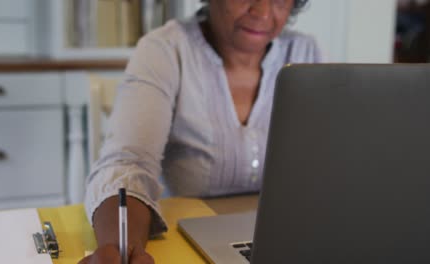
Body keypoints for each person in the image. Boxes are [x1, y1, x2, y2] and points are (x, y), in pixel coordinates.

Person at [80, 0, 321, 263]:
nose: (262, 12)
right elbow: (128, 164)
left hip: (281, 244)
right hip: (183, 245)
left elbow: (326, 167)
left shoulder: (304, 53)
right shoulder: (166, 50)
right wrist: (122, 249)